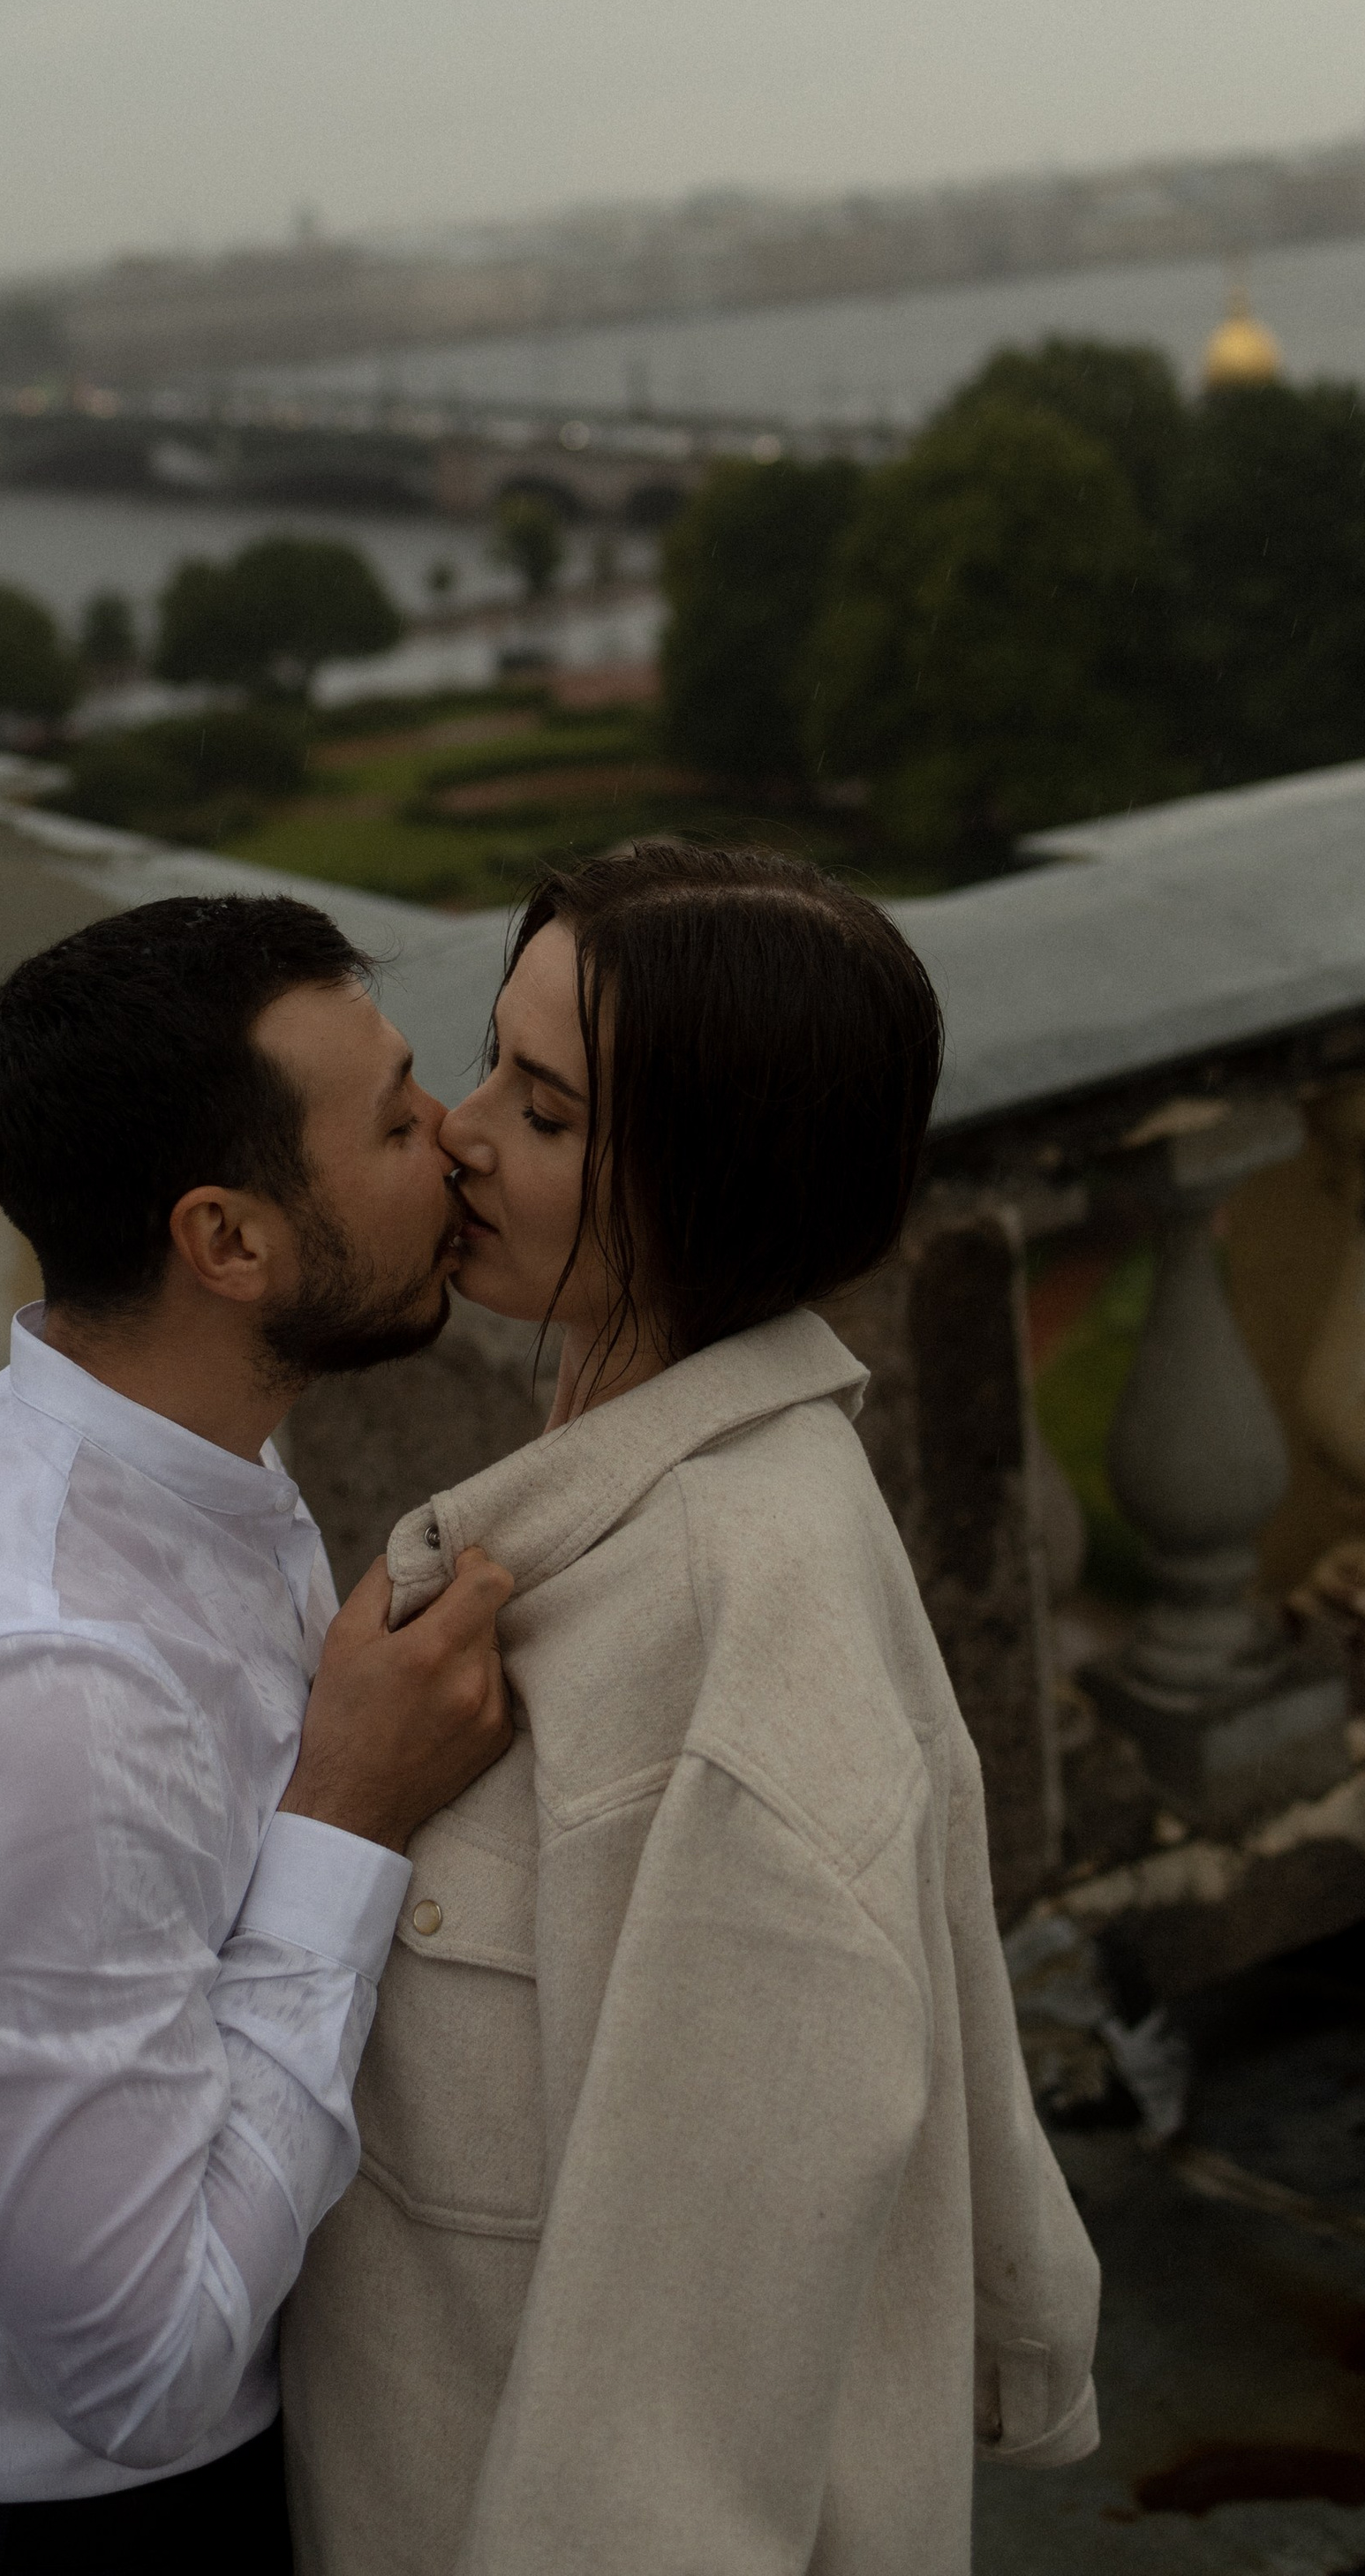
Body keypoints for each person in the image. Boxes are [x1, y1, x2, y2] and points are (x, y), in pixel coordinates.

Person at [284, 841, 1100, 2576]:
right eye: (489, 1063)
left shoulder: (737, 1631)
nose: (463, 1131)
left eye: (551, 1111)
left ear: (719, 1179)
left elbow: (679, 2425)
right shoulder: (625, 1493)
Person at [0, 893, 513, 2572]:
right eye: (392, 1121)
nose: (457, 1139)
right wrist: (348, 1821)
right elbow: (142, 2371)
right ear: (227, 1244)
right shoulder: (38, 1697)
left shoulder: (185, 1453)